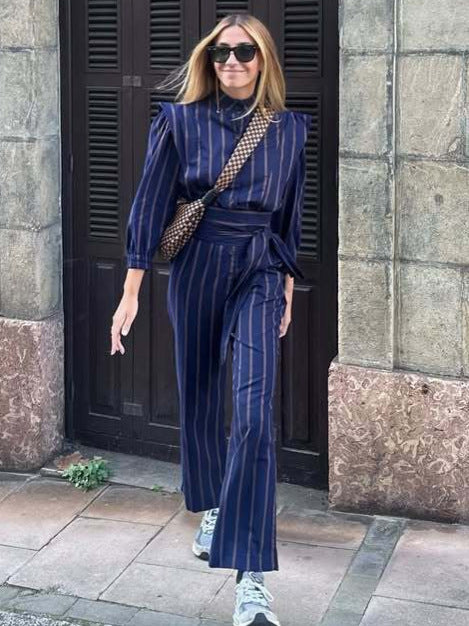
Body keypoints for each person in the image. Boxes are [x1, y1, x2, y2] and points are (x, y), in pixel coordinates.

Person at [111, 12, 311, 626]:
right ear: (208, 60)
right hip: (198, 264)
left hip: (259, 269)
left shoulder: (288, 129)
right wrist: (131, 289)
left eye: (244, 52)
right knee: (198, 393)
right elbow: (149, 204)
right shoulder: (180, 121)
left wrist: (287, 287)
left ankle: (251, 579)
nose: (232, 63)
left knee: (253, 415)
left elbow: (290, 217)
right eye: (221, 53)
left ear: (263, 59)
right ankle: (214, 507)